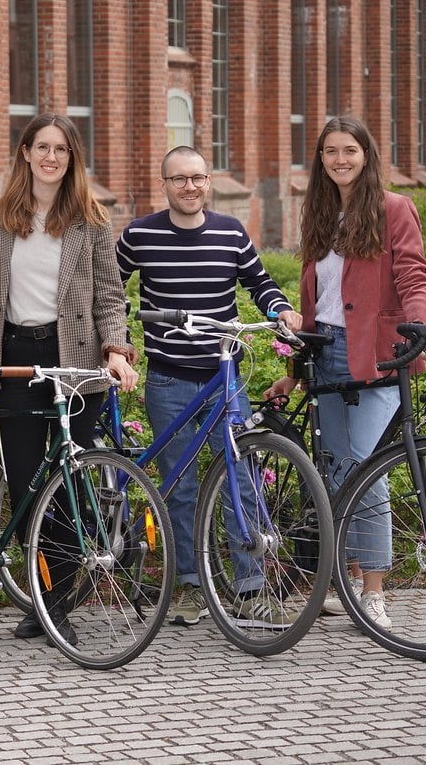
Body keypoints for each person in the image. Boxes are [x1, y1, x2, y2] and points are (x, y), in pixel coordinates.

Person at [0, 113, 139, 646]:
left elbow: (109, 294)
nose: (51, 157)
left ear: (70, 157)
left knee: (70, 486)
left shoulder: (92, 219)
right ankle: (42, 595)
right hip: (17, 356)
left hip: (74, 360)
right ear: (26, 154)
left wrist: (118, 352)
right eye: (42, 148)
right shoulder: (0, 215)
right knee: (30, 482)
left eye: (61, 149)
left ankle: (57, 607)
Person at [116, 144, 303, 628]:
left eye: (197, 177)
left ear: (208, 181)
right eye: (179, 179)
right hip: (167, 377)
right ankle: (190, 588)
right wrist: (118, 341)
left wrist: (281, 311)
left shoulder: (230, 232)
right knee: (178, 486)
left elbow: (260, 283)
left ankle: (247, 589)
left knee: (239, 478)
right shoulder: (140, 235)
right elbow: (109, 290)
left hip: (225, 377)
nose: (190, 187)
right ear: (165, 185)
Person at [263, 117, 426, 631]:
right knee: (336, 468)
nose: (340, 159)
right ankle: (350, 578)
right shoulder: (319, 212)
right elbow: (314, 303)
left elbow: (412, 274)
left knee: (365, 467)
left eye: (350, 151)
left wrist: (422, 331)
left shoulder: (393, 208)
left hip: (377, 352)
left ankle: (375, 591)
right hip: (327, 352)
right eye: (330, 152)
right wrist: (295, 368)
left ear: (366, 155)